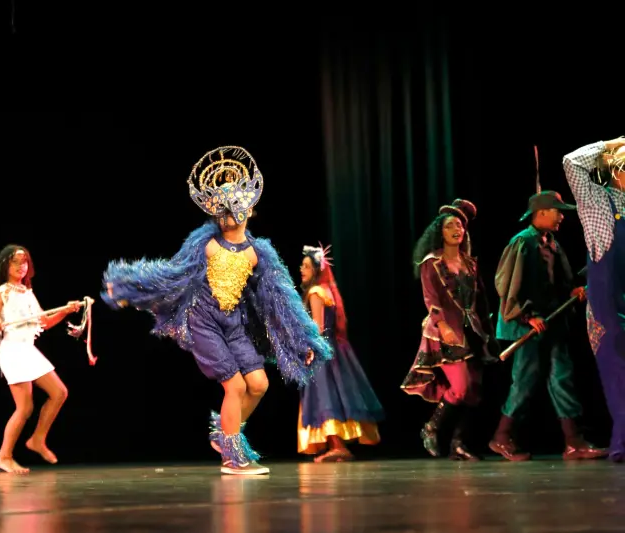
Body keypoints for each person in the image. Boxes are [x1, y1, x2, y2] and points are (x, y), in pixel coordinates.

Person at [101, 146, 332, 475]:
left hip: (233, 324)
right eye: (222, 208)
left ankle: (224, 432)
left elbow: (282, 299)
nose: (228, 214)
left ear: (249, 210)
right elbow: (170, 274)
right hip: (203, 320)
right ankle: (233, 456)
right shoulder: (206, 244)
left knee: (258, 384)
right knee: (235, 387)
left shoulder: (257, 253)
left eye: (234, 206)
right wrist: (127, 286)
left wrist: (302, 340)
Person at [489, 190, 608, 461]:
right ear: (541, 213)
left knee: (561, 377)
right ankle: (501, 436)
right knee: (525, 380)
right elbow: (506, 285)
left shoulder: (551, 243)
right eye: (557, 211)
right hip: (528, 326)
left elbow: (557, 283)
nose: (562, 217)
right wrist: (526, 316)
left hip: (552, 322)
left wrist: (572, 291)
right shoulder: (522, 242)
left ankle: (574, 441)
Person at [402, 199, 499, 460]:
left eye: (459, 225)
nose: (456, 230)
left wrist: (489, 333)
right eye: (450, 226)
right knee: (461, 386)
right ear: (440, 231)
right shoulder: (431, 263)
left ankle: (458, 444)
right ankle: (431, 427)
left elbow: (482, 301)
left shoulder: (470, 264)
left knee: (474, 391)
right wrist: (444, 326)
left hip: (472, 331)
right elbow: (431, 299)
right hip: (445, 332)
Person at [0, 244, 81, 474]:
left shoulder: (27, 292)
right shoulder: (0, 293)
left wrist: (65, 311)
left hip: (28, 349)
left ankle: (37, 439)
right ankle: (3, 456)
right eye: (16, 262)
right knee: (25, 407)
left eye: (24, 262)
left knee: (59, 392)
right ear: (5, 265)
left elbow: (43, 323)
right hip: (12, 350)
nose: (21, 266)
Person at [563, 136, 625, 463]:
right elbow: (571, 163)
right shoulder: (597, 202)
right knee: (619, 377)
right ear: (617, 170)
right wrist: (614, 143)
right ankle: (622, 444)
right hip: (608, 309)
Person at [297, 243, 385, 462]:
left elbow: (318, 328)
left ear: (316, 270)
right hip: (334, 350)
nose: (301, 269)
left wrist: (308, 349)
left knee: (324, 396)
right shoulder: (327, 291)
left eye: (306, 266)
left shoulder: (316, 292)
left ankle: (337, 446)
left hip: (322, 352)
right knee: (334, 395)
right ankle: (337, 446)